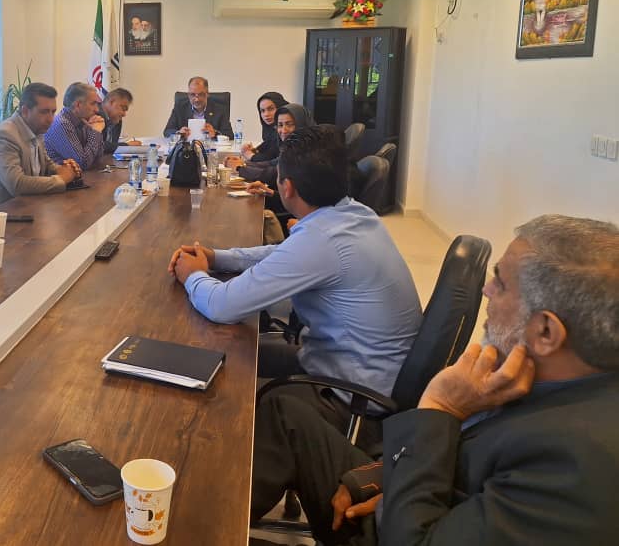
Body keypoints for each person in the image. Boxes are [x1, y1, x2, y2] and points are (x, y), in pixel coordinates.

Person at [252, 215, 619, 546]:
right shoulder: (548, 376)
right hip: (409, 493)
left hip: (401, 528)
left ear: (546, 331)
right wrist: (376, 476)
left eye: (501, 283)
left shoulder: (575, 469)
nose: (487, 291)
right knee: (285, 415)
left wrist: (440, 408)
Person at [168, 126, 420, 445]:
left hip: (354, 400)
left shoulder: (323, 240)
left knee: (223, 388)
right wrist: (217, 257)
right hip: (360, 367)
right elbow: (286, 253)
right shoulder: (353, 213)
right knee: (231, 357)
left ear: (286, 187)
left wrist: (192, 275)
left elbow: (221, 306)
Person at [0, 82, 81, 211]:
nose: (51, 119)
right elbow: (17, 184)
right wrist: (61, 179)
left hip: (27, 207)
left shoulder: (37, 130)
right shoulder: (4, 135)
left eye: (53, 112)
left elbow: (47, 165)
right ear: (25, 111)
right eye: (44, 112)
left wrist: (65, 169)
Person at [43, 82, 106, 170]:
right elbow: (82, 163)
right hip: (58, 177)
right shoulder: (62, 124)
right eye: (93, 104)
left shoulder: (82, 120)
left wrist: (95, 130)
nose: (97, 109)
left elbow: (98, 159)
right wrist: (96, 132)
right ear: (78, 105)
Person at [163, 76, 234, 139]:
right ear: (188, 95)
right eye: (192, 94)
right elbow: (167, 131)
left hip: (210, 147)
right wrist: (179, 133)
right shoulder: (180, 107)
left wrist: (215, 133)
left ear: (207, 94)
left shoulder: (219, 109)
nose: (196, 99)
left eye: (201, 94)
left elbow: (230, 135)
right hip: (187, 148)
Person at [241, 91, 288, 162]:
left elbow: (272, 161)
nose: (266, 114)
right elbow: (268, 146)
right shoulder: (271, 130)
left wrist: (249, 155)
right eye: (262, 111)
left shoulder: (286, 131)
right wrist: (255, 150)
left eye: (271, 109)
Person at [98, 87, 140, 154]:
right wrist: (126, 145)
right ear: (111, 102)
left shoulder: (116, 120)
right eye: (123, 109)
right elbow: (98, 146)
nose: (124, 114)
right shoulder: (94, 114)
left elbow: (112, 146)